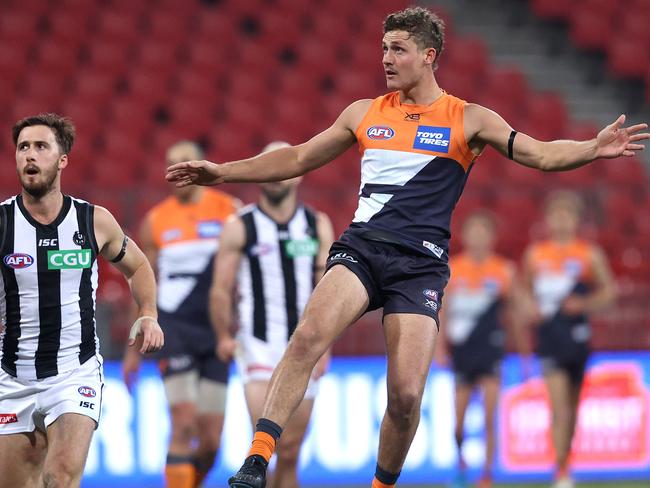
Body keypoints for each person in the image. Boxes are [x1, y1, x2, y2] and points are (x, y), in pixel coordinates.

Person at [165, 6, 649, 487]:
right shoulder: (364, 112)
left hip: (421, 266)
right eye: (383, 49)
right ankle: (256, 459)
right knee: (308, 337)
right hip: (362, 249)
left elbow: (540, 153)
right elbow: (297, 157)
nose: (386, 59)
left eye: (398, 49)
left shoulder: (469, 119)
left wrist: (592, 147)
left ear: (428, 55)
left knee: (405, 396)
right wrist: (222, 172)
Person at [0, 113, 164, 488]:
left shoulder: (93, 221)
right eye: (23, 147)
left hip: (75, 372)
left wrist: (149, 314)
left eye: (41, 147)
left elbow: (139, 267)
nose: (29, 155)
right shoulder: (3, 223)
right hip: (12, 376)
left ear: (62, 160)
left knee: (59, 477)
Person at [211, 141, 334, 487]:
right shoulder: (240, 225)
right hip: (258, 343)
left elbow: (327, 288)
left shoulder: (316, 224)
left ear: (297, 176)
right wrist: (224, 334)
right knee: (266, 444)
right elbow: (221, 288)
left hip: (305, 345)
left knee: (292, 450)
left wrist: (326, 345)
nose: (276, 178)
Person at [121, 141, 239, 488]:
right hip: (175, 327)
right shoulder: (156, 221)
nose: (177, 170)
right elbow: (142, 284)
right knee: (183, 423)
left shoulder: (229, 211)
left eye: (183, 163)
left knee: (211, 442)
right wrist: (132, 347)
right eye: (170, 164)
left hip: (215, 330)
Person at [521, 191, 616, 488]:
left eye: (567, 215)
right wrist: (530, 307)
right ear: (548, 220)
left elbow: (609, 291)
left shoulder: (588, 254)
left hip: (577, 338)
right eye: (556, 215)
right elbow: (521, 292)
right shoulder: (536, 255)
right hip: (549, 337)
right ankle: (560, 471)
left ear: (576, 220)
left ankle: (566, 461)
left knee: (573, 408)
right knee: (559, 405)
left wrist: (584, 305)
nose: (561, 221)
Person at [434, 211, 515, 488]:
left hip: (490, 349)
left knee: (491, 413)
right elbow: (443, 311)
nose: (479, 238)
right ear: (466, 236)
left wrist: (523, 351)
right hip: (463, 351)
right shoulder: (454, 269)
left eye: (484, 232)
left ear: (492, 237)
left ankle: (488, 474)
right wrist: (440, 348)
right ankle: (460, 461)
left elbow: (512, 313)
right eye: (474, 231)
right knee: (459, 420)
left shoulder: (503, 270)